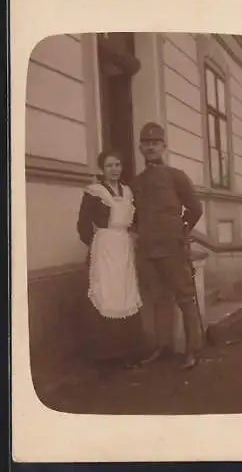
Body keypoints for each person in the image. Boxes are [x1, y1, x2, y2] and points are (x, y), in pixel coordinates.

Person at [130, 122, 204, 370]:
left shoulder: (176, 176)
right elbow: (135, 216)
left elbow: (195, 208)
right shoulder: (136, 182)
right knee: (158, 299)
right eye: (146, 143)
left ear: (164, 146)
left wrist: (181, 231)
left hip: (172, 249)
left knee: (185, 298)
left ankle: (192, 349)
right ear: (140, 147)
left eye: (155, 143)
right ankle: (161, 347)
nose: (150, 147)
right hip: (148, 251)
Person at [77, 150, 146, 370]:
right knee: (106, 294)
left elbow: (135, 219)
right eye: (109, 166)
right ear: (101, 169)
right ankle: (105, 357)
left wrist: (131, 235)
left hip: (124, 246)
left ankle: (129, 353)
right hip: (104, 246)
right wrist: (97, 243)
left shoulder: (127, 191)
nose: (114, 169)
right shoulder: (94, 192)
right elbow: (83, 223)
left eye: (117, 165)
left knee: (125, 293)